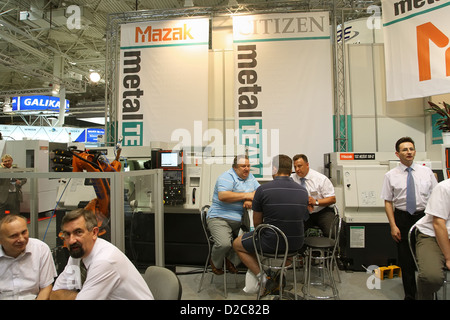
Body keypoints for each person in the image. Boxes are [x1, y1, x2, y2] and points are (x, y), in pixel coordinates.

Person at [233, 154, 309, 292]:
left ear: (274, 169)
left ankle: (264, 278)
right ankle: (279, 277)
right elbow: (303, 218)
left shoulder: (263, 190)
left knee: (236, 244)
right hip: (295, 244)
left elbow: (257, 224)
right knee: (289, 248)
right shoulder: (303, 191)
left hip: (270, 243)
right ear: (290, 169)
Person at [50, 208, 154, 300]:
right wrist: (80, 295)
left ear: (94, 233)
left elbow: (60, 294)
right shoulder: (77, 253)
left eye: (78, 232)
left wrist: (69, 296)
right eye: (67, 234)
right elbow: (54, 294)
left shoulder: (104, 261)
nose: (72, 240)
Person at [381, 136, 437, 299]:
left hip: (424, 218)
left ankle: (427, 293)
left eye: (411, 149)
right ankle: (410, 295)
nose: (409, 152)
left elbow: (435, 197)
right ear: (397, 154)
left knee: (426, 257)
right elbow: (388, 202)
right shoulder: (391, 175)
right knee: (406, 260)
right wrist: (393, 225)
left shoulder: (426, 172)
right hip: (402, 218)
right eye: (405, 149)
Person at [206, 155, 260, 275]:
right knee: (224, 244)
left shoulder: (250, 177)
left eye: (248, 166)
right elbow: (223, 196)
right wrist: (246, 195)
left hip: (239, 221)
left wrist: (250, 200)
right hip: (219, 217)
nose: (246, 169)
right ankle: (216, 263)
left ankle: (230, 260)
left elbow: (259, 191)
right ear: (235, 168)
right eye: (243, 166)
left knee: (250, 242)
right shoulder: (226, 177)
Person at [0, 214, 57, 300]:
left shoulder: (41, 249)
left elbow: (46, 288)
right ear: (1, 240)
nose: (22, 239)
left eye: (24, 232)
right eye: (14, 236)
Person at [414, 178, 450, 300]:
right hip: (433, 235)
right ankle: (424, 296)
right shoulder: (444, 188)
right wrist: (449, 258)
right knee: (431, 277)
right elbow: (438, 224)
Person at [291, 154, 336, 236]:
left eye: (300, 166)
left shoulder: (321, 179)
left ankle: (331, 248)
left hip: (321, 211)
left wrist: (315, 202)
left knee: (331, 233)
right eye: (295, 167)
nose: (297, 169)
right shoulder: (292, 179)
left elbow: (332, 199)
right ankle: (301, 248)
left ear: (307, 165)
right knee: (294, 233)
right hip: (302, 213)